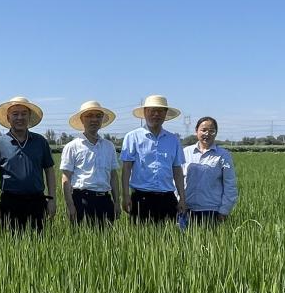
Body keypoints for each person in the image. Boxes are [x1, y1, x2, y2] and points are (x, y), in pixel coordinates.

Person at [0, 96, 55, 231]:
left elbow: (49, 171)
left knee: (40, 242)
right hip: (10, 203)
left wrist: (52, 199)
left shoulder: (40, 142)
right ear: (8, 118)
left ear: (29, 117)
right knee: (11, 242)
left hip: (37, 202)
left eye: (24, 114)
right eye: (15, 114)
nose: (20, 117)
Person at [121, 94, 187, 224]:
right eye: (152, 110)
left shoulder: (173, 139)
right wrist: (126, 195)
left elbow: (177, 170)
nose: (156, 114)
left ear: (165, 114)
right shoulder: (132, 137)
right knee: (140, 236)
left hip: (167, 197)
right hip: (141, 198)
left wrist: (182, 198)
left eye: (160, 111)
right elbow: (126, 168)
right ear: (145, 112)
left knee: (169, 236)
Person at [60, 100, 120, 226]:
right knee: (82, 237)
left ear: (102, 120)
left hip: (105, 200)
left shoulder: (109, 146)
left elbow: (114, 176)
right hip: (82, 201)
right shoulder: (72, 146)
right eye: (89, 116)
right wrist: (70, 205)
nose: (94, 119)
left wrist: (117, 202)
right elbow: (66, 178)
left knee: (107, 237)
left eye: (98, 116)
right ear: (82, 119)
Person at [183, 116, 238, 225]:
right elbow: (176, 180)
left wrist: (224, 210)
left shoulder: (223, 155)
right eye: (203, 130)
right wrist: (177, 201)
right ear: (196, 131)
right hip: (186, 209)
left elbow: (230, 185)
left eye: (211, 131)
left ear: (216, 133)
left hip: (211, 210)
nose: (207, 134)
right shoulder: (185, 152)